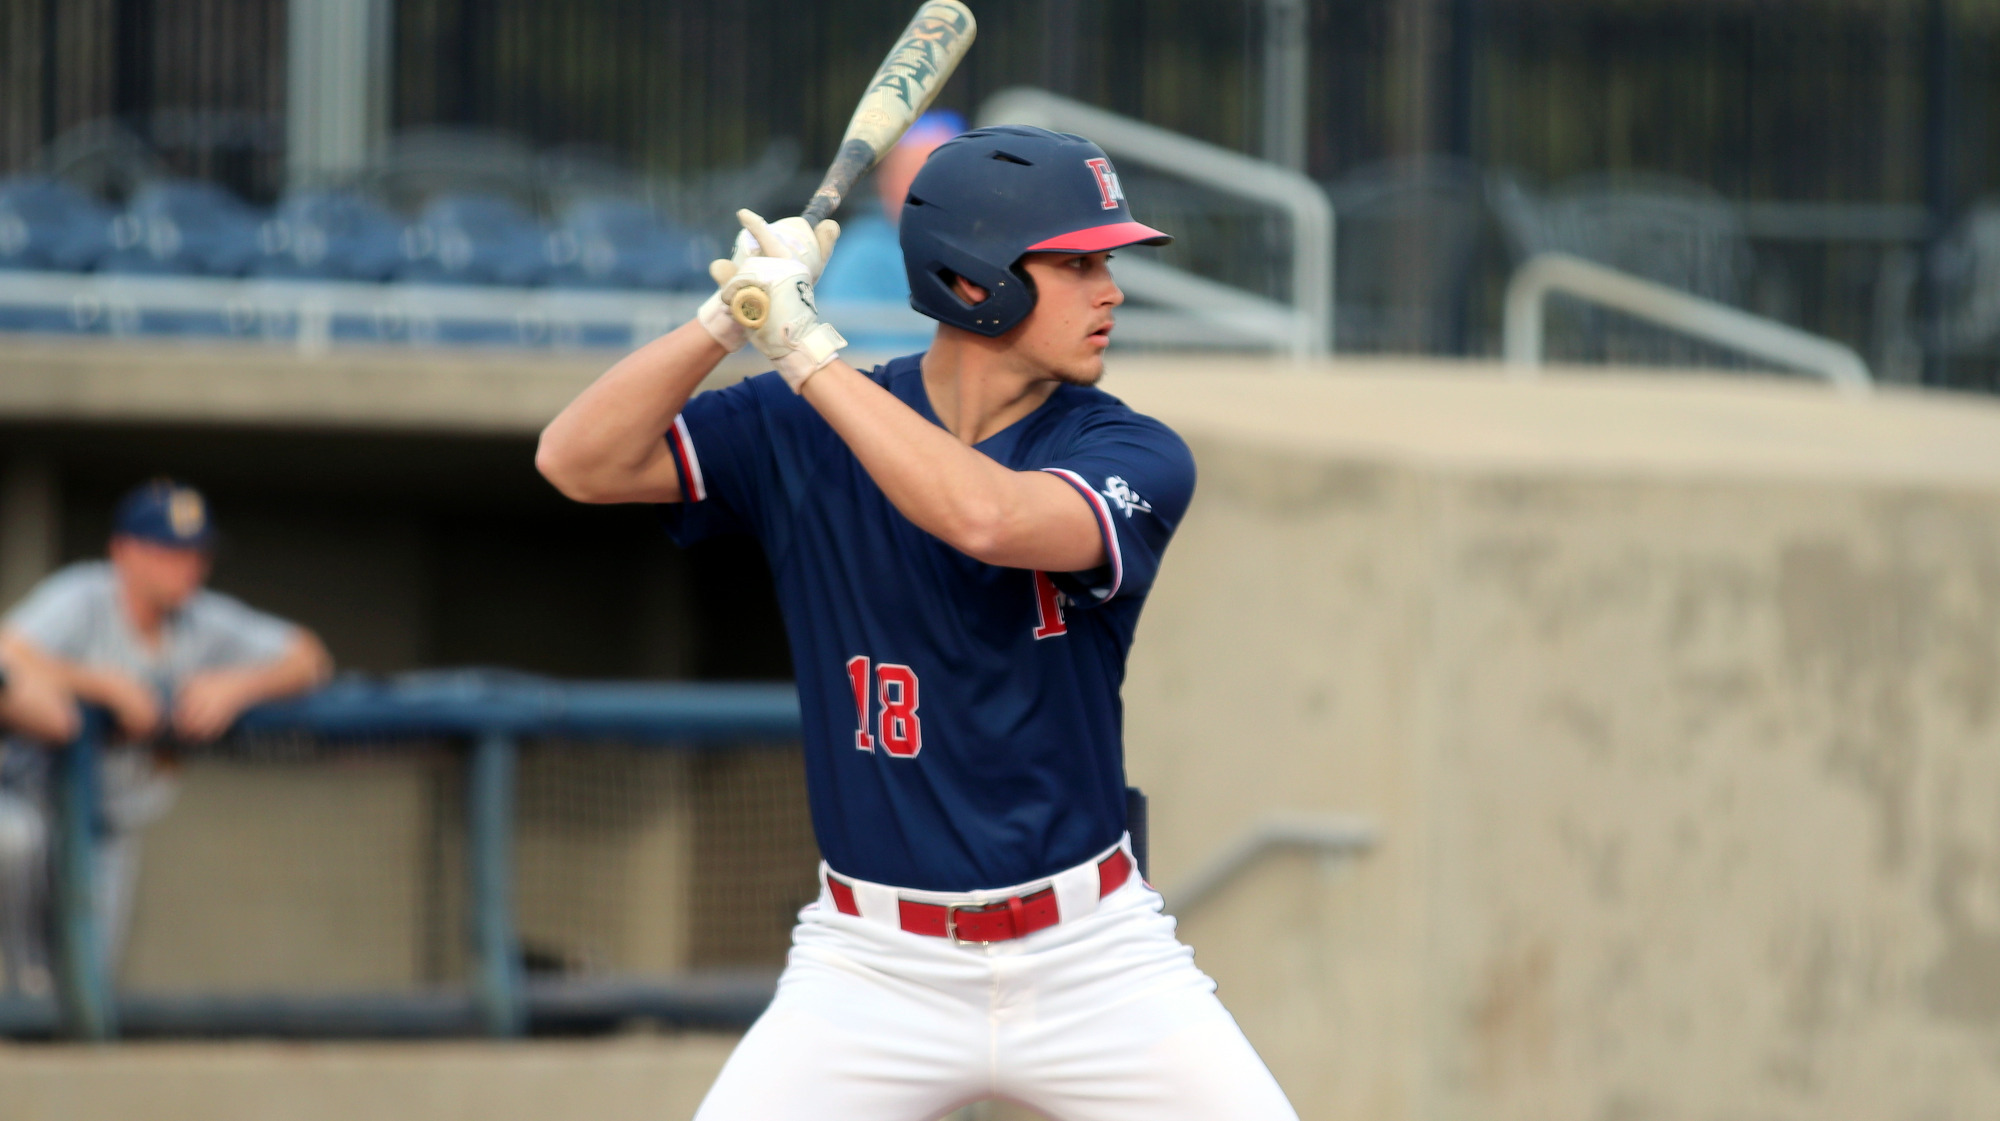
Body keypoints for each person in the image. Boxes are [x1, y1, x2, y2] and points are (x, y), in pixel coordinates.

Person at [538, 126, 1297, 1119]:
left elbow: (984, 516)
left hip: (1091, 954)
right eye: (1075, 262)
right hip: (869, 966)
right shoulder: (799, 423)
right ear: (974, 279)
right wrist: (726, 319)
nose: (1109, 288)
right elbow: (575, 459)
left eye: (1107, 259)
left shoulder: (1129, 446)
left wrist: (804, 352)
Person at [0, 478, 332, 994]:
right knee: (13, 854)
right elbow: (8, 651)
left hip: (105, 824)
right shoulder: (84, 595)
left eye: (196, 553)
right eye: (169, 552)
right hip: (25, 795)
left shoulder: (203, 619)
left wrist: (239, 685)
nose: (187, 567)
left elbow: (309, 657)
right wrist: (101, 683)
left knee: (87, 989)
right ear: (123, 551)